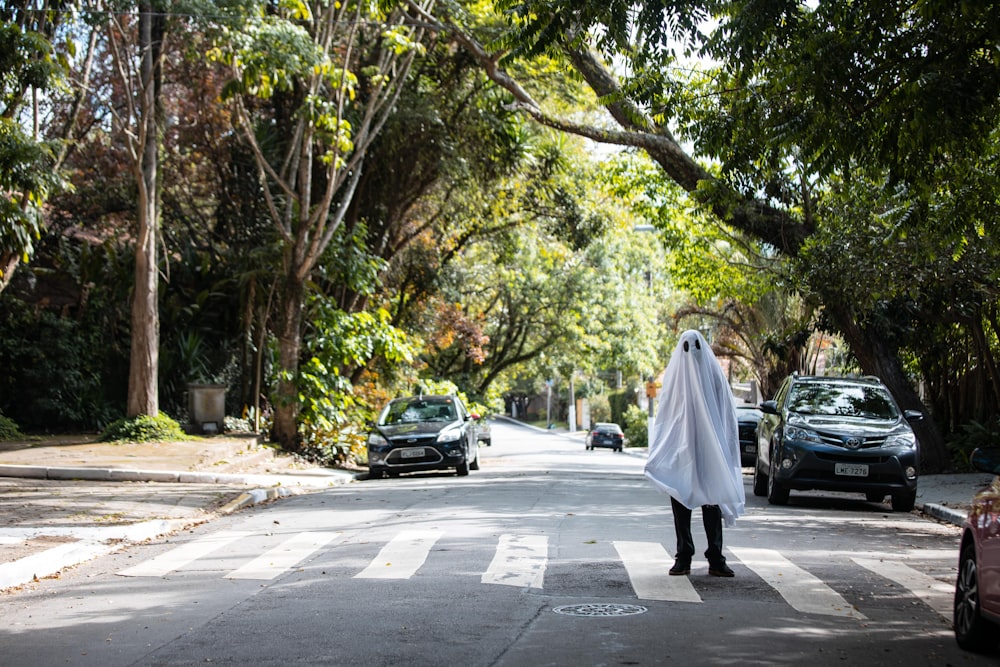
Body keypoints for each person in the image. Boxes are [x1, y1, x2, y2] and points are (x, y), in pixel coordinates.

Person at [644, 329, 746, 577]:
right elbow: (666, 418)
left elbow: (726, 416)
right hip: (683, 452)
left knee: (713, 501)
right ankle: (684, 555)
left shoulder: (715, 378)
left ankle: (715, 557)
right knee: (680, 500)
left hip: (710, 453)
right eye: (686, 347)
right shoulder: (676, 381)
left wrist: (723, 450)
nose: (691, 352)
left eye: (695, 347)